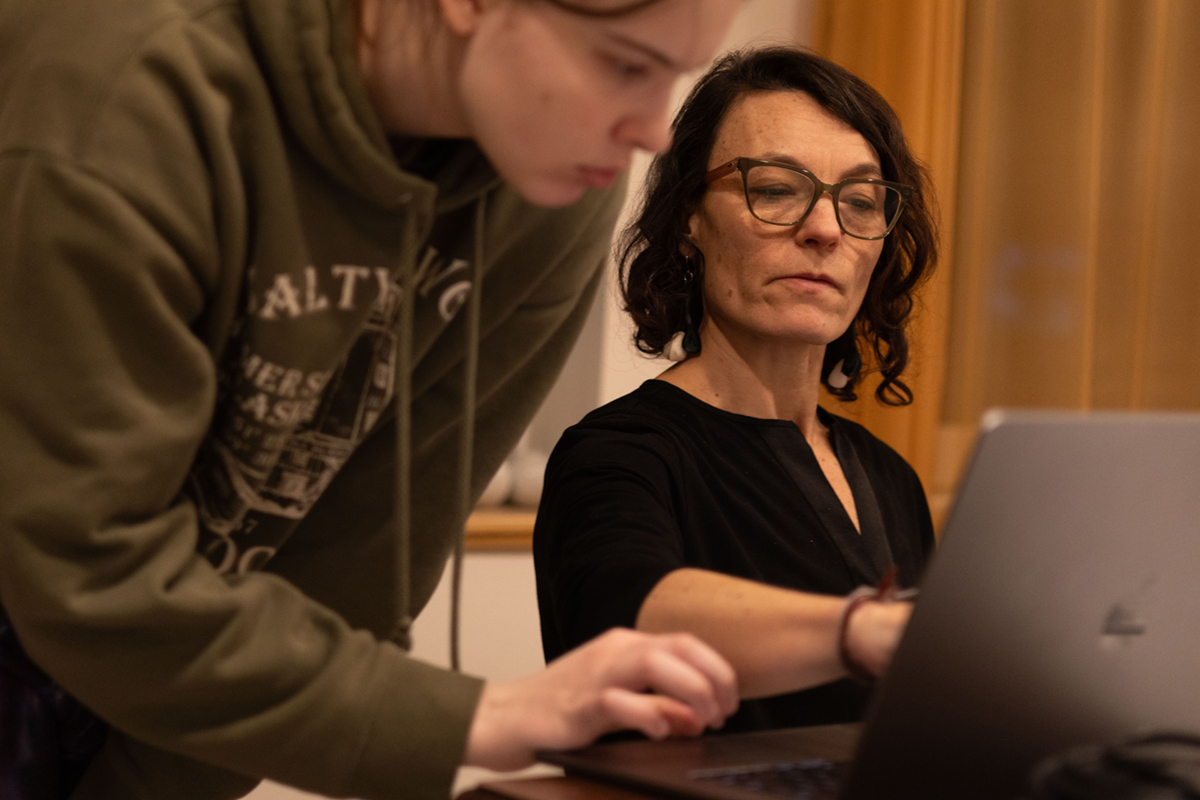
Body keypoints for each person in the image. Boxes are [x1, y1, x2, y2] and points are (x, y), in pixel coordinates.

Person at [0, 0, 746, 798]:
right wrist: (475, 718)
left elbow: (346, 575)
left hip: (146, 656)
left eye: (677, 71)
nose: (654, 132)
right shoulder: (128, 88)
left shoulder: (549, 181)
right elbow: (86, 564)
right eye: (626, 65)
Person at [534, 46, 940, 733]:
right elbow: (626, 614)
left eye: (862, 202)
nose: (824, 229)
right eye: (777, 189)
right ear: (689, 217)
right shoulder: (620, 453)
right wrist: (859, 632)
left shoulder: (889, 476)